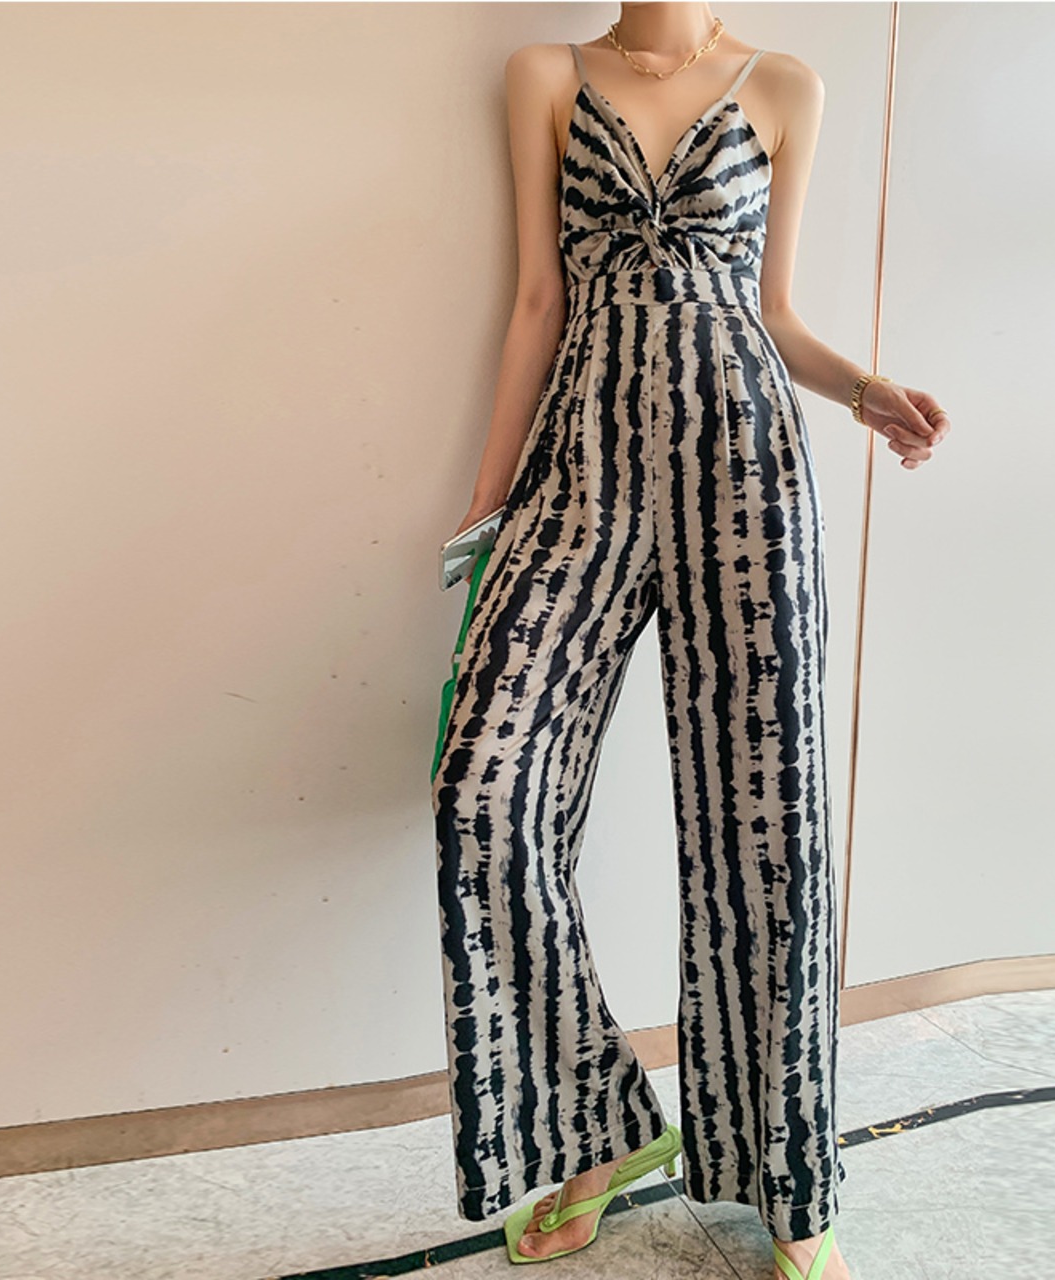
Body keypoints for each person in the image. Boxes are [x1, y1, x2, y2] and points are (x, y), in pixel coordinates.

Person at [431, 6, 950, 1279]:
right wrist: (488, 513)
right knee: (481, 792)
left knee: (766, 830)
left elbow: (772, 311)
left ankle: (790, 1180)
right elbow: (538, 299)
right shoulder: (546, 73)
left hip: (746, 470)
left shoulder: (783, 85)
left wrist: (866, 390)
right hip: (579, 475)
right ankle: (597, 1128)